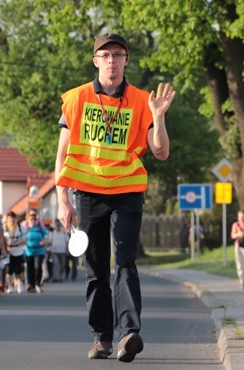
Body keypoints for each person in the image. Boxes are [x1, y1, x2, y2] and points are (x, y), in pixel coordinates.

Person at [55, 33, 175, 362]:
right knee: (95, 268)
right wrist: (62, 197)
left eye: (118, 54)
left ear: (126, 61)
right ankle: (101, 338)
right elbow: (62, 151)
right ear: (96, 60)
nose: (112, 60)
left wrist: (159, 117)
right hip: (88, 190)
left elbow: (161, 152)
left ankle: (129, 334)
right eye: (105, 55)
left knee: (124, 260)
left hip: (127, 190)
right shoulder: (77, 99)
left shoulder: (140, 100)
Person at [22, 209, 48, 293]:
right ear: (28, 219)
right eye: (31, 219)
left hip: (39, 251)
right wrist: (23, 240)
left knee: (37, 267)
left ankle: (37, 284)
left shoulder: (40, 227)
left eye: (34, 219)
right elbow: (21, 237)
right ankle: (30, 284)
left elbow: (47, 235)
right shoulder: (25, 228)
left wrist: (44, 241)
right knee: (30, 268)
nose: (33, 220)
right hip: (29, 251)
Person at [2, 211, 26, 294]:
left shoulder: (20, 227)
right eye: (9, 218)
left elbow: (26, 235)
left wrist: (22, 241)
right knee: (9, 269)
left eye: (13, 218)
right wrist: (5, 248)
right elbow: (1, 239)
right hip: (9, 251)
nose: (11, 220)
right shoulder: (4, 227)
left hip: (18, 250)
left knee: (19, 269)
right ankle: (10, 286)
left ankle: (20, 284)